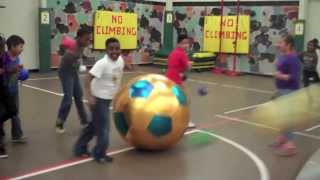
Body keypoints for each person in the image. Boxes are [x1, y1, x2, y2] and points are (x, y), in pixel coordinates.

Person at [74, 38, 124, 163]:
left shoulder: (120, 60)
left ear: (120, 49)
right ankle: (99, 154)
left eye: (117, 48)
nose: (114, 51)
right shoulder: (102, 63)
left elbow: (116, 76)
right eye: (111, 49)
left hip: (107, 99)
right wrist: (89, 96)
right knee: (104, 129)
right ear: (106, 50)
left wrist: (129, 66)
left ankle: (79, 148)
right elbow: (87, 78)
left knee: (93, 127)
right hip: (98, 100)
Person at [56, 27, 92, 133]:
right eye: (87, 39)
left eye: (89, 39)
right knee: (68, 98)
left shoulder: (82, 45)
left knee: (78, 96)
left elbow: (77, 58)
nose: (88, 42)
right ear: (79, 38)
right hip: (65, 72)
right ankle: (59, 122)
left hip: (73, 72)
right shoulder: (72, 46)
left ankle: (84, 121)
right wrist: (65, 52)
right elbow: (63, 49)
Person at [271, 35, 300, 156]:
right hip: (282, 89)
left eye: (281, 42)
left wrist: (279, 75)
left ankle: (291, 145)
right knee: (281, 117)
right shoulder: (284, 56)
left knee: (288, 118)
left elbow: (293, 77)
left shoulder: (293, 58)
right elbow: (281, 67)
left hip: (290, 91)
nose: (279, 44)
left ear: (288, 45)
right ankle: (283, 137)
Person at [0, 35, 27, 145]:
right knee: (2, 112)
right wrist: (13, 70)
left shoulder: (17, 58)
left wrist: (20, 74)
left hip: (14, 90)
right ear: (12, 47)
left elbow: (15, 73)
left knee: (15, 112)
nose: (22, 49)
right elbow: (4, 71)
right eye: (20, 47)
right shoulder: (4, 57)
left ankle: (17, 135)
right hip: (4, 91)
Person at [165, 34, 195, 128]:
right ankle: (185, 121)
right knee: (185, 100)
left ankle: (173, 119)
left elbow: (175, 66)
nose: (186, 45)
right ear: (178, 43)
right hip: (175, 79)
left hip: (169, 78)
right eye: (183, 43)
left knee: (173, 101)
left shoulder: (174, 52)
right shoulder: (181, 53)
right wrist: (190, 64)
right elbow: (187, 67)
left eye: (187, 43)